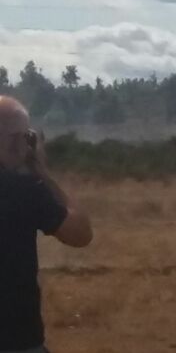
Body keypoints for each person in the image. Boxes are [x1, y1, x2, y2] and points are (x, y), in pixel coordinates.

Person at [0, 97, 92, 353]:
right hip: (16, 339)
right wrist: (42, 172)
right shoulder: (22, 191)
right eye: (23, 137)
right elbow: (81, 234)